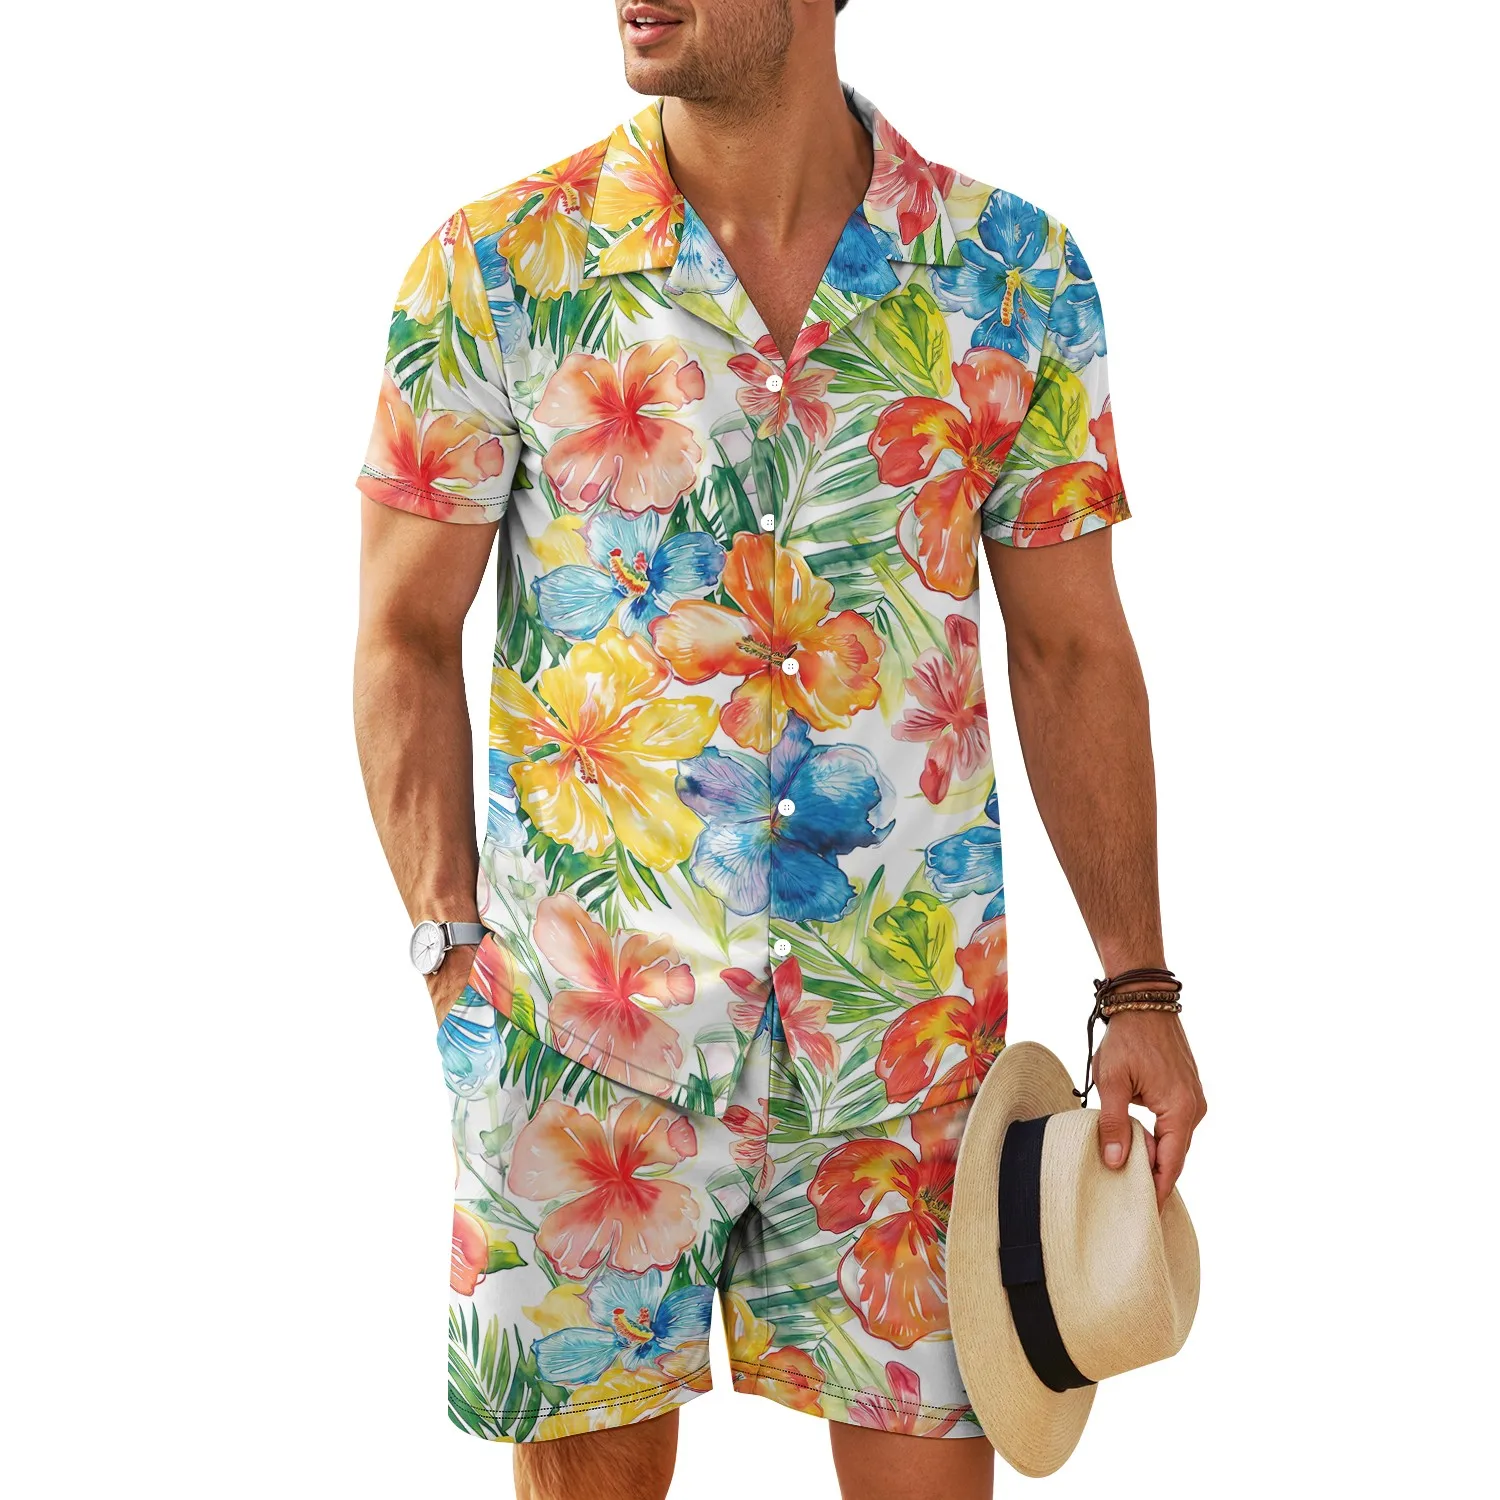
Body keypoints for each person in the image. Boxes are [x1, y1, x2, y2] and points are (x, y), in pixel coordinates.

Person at [352, 3, 1207, 1497]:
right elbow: (401, 633)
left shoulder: (1013, 275)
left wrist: (1137, 984)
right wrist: (449, 954)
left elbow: (1074, 649)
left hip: (904, 1055)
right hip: (582, 1045)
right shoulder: (500, 268)